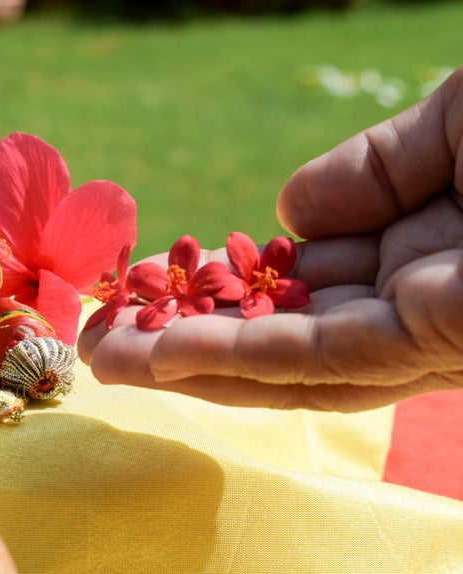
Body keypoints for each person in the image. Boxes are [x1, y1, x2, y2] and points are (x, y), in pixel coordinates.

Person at [78, 65, 463, 412]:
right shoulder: (211, 283)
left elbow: (268, 278)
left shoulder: (242, 284)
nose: (263, 280)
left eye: (266, 279)